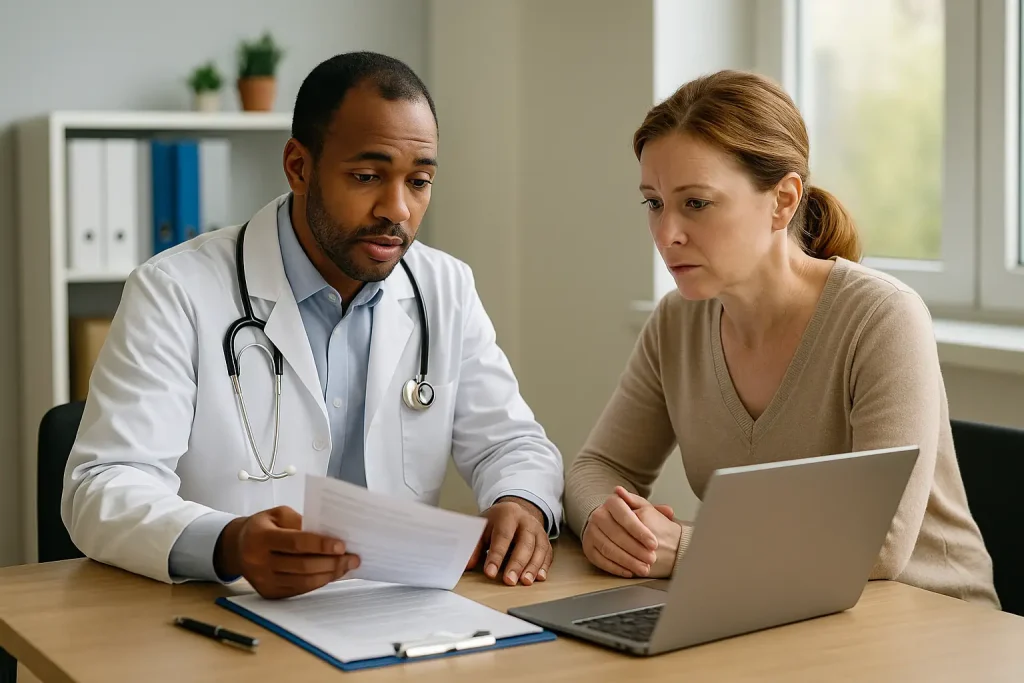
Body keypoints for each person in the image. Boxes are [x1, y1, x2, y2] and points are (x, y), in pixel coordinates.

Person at [62, 51, 563, 599]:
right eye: (367, 176)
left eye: (418, 182)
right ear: (299, 166)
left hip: (397, 612)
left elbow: (511, 442)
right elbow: (103, 486)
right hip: (230, 611)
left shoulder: (444, 287)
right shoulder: (174, 290)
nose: (397, 209)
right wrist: (228, 543)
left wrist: (520, 501)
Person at [564, 70, 999, 608]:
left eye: (695, 203)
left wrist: (688, 549)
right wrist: (611, 525)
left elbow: (880, 548)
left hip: (929, 622)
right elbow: (597, 468)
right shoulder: (676, 322)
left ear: (783, 200)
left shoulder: (883, 318)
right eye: (653, 202)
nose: (666, 233)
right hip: (777, 610)